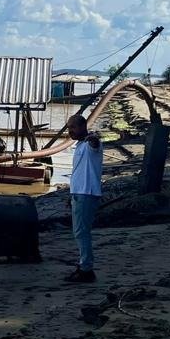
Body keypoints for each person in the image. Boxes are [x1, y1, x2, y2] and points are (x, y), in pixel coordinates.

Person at [66, 113, 103, 283]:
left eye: (72, 127)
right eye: (68, 128)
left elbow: (95, 143)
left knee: (81, 232)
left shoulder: (90, 144)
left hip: (86, 193)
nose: (70, 131)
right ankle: (84, 266)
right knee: (80, 232)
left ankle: (86, 269)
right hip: (79, 193)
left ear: (82, 126)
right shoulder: (80, 145)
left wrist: (93, 137)